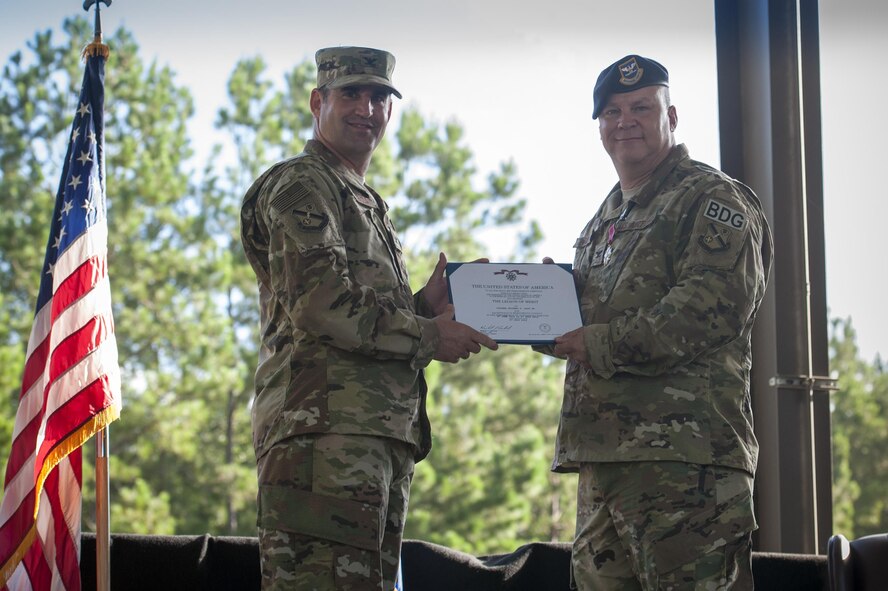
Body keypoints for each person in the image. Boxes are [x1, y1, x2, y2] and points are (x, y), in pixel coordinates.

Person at [240, 46, 497, 590]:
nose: (367, 107)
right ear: (317, 102)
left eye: (379, 96)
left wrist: (425, 303)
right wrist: (430, 334)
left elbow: (353, 308)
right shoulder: (303, 185)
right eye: (350, 93)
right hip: (322, 437)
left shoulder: (359, 197)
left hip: (368, 436)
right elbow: (321, 304)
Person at [540, 55, 773, 590]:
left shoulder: (712, 198)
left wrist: (593, 340)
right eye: (613, 111)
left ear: (672, 116)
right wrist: (546, 304)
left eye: (642, 107)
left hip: (686, 464)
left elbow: (708, 309)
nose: (626, 120)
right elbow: (600, 315)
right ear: (599, 127)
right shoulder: (605, 218)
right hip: (605, 459)